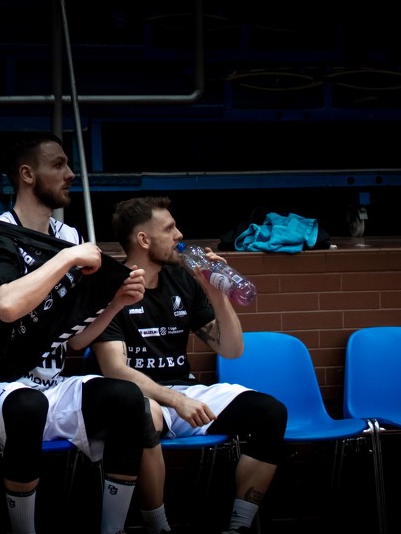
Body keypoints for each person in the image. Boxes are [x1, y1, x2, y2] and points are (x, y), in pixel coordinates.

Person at [0, 133, 151, 534]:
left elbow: (76, 340)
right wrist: (66, 259)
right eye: (59, 165)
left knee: (129, 399)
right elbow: (6, 305)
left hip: (52, 386)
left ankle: (113, 529)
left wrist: (116, 302)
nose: (70, 173)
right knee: (28, 406)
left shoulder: (70, 238)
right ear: (27, 175)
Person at [92, 196, 288, 534]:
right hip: (139, 398)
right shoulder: (112, 287)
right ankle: (159, 527)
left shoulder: (181, 280)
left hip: (184, 391)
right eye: (169, 228)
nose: (179, 235)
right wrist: (176, 401)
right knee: (142, 414)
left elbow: (231, 350)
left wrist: (217, 294)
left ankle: (239, 526)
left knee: (271, 413)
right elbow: (115, 370)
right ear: (143, 239)